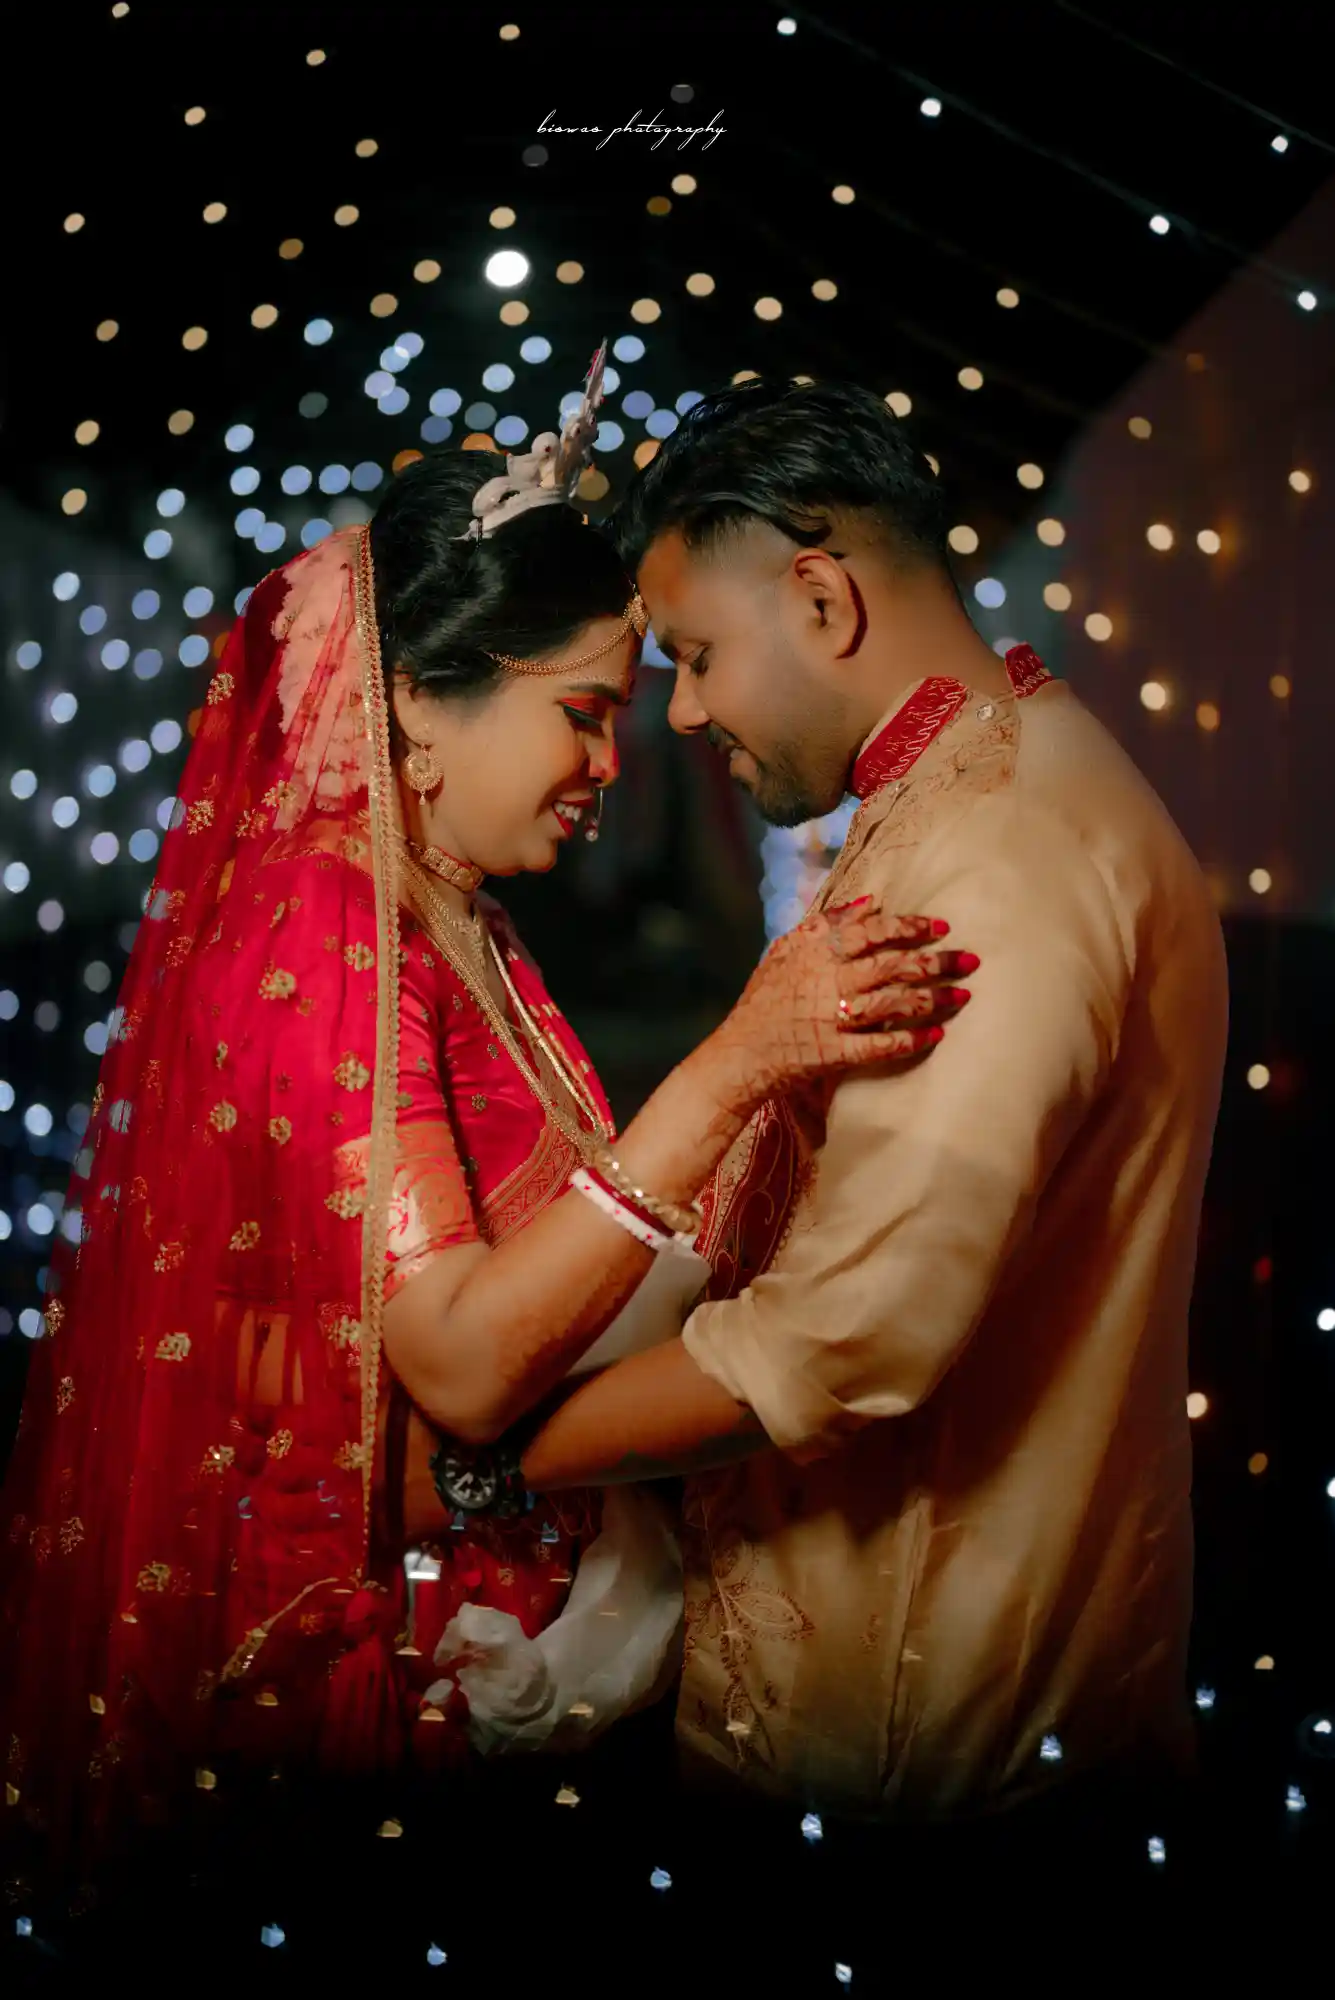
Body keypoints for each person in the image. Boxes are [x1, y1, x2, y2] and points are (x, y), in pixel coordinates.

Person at [0, 380, 975, 1938]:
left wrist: (787, 1097)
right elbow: (455, 1356)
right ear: (415, 706)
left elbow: (558, 1231)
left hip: (493, 1631)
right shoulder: (329, 923)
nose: (619, 759)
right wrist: (737, 1063)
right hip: (382, 1676)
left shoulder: (449, 911)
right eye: (579, 712)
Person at [496, 378, 1229, 1908]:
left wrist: (491, 1462)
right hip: (979, 1684)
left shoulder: (1000, 856)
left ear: (821, 599)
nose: (681, 711)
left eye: (695, 658)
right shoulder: (984, 780)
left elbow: (840, 1344)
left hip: (918, 1738)